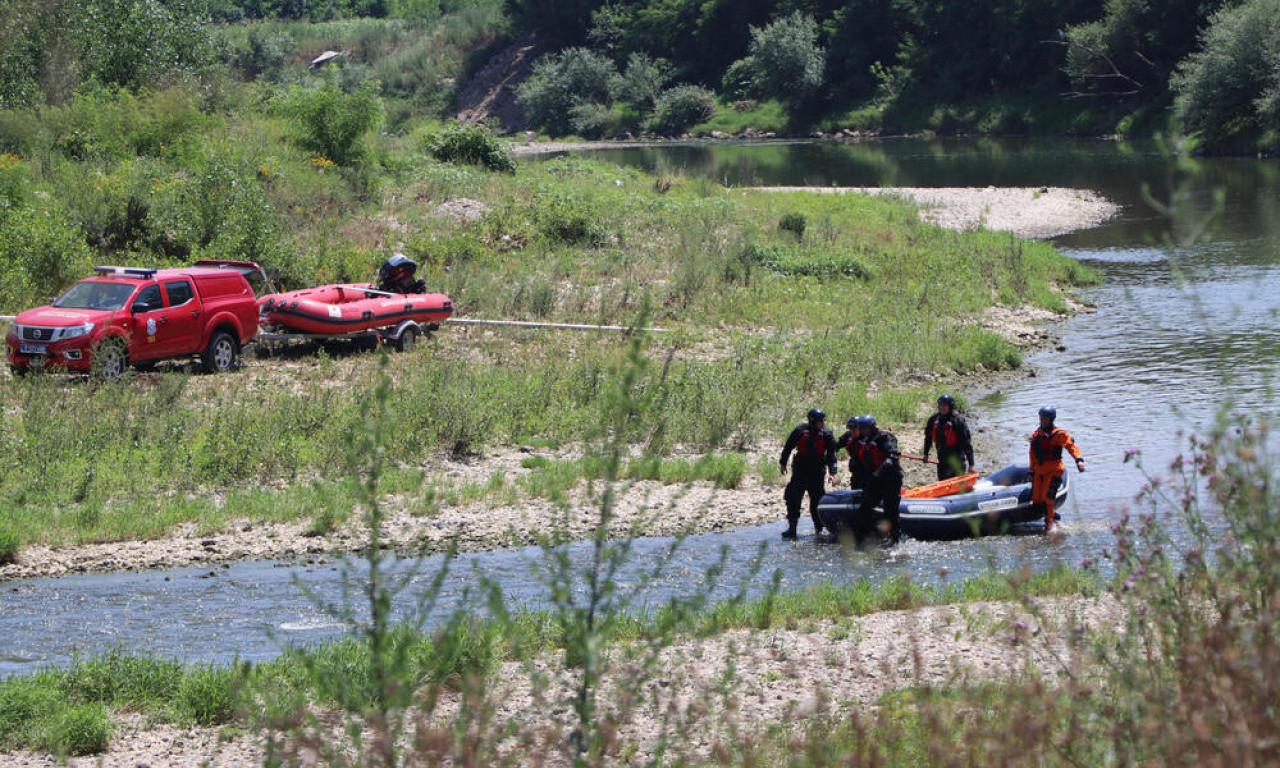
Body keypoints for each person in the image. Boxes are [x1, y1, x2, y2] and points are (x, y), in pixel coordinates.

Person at [779, 408, 837, 539]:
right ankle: (792, 528)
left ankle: (819, 529)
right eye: (820, 421)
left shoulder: (826, 434)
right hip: (800, 470)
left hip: (817, 471)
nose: (822, 423)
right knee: (793, 498)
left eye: (823, 421)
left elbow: (832, 454)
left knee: (817, 500)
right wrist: (783, 463)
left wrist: (832, 473)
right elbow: (788, 447)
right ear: (813, 421)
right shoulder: (800, 430)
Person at [850, 415, 904, 545]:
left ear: (872, 427)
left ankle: (894, 539)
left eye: (865, 429)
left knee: (891, 510)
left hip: (891, 478)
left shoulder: (885, 437)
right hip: (876, 479)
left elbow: (892, 456)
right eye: (861, 429)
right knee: (865, 505)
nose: (863, 431)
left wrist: (877, 473)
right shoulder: (863, 439)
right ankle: (866, 535)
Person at [1029, 406, 1085, 533]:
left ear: (1051, 419)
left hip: (1054, 470)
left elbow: (1071, 446)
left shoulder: (1059, 434)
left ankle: (1049, 526)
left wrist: (1079, 460)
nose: (1042, 420)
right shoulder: (1036, 435)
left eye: (1045, 418)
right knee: (1037, 501)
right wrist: (1031, 471)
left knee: (1048, 498)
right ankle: (1053, 516)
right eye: (1041, 417)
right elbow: (1032, 454)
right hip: (1039, 470)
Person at [922, 394, 975, 480]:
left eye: (945, 405)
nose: (942, 407)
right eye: (940, 405)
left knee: (958, 489)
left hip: (957, 462)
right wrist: (925, 454)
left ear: (950, 406)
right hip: (942, 461)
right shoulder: (933, 419)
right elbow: (928, 438)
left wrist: (971, 465)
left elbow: (967, 444)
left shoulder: (958, 421)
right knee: (943, 484)